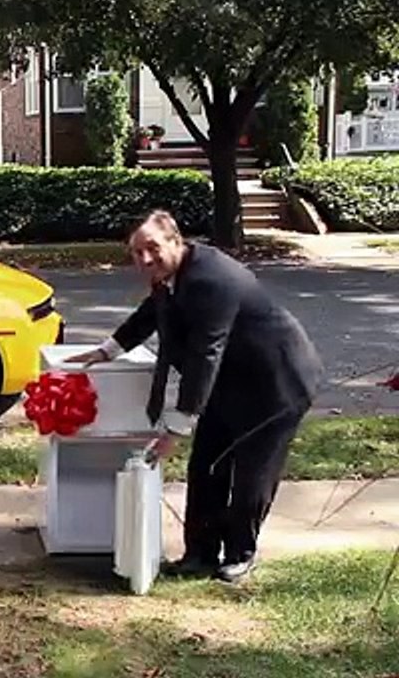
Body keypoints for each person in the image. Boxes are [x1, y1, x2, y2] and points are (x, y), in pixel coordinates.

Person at [68, 210, 323, 582]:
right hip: (229, 381)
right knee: (206, 466)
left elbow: (207, 352)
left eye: (152, 249)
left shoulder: (211, 279)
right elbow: (151, 313)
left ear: (176, 240)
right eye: (136, 253)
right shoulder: (172, 274)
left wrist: (177, 427)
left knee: (252, 473)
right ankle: (200, 554)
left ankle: (240, 554)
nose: (144, 260)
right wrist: (106, 350)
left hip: (277, 385)